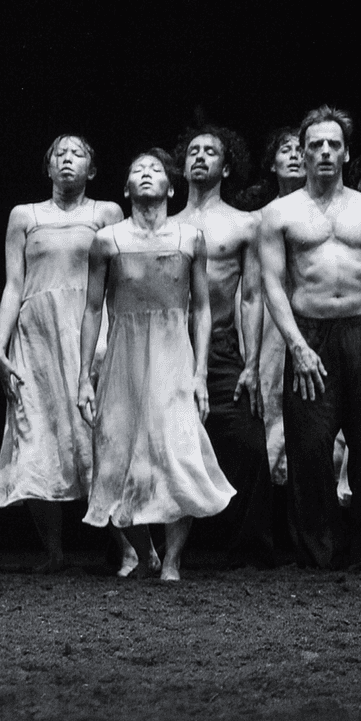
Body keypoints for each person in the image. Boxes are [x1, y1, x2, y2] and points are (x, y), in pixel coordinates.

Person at [77, 150, 235, 580]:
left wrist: (201, 372)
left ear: (170, 187)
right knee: (120, 453)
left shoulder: (190, 238)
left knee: (177, 452)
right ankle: (141, 551)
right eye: (136, 171)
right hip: (123, 357)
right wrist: (83, 378)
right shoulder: (107, 240)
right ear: (126, 189)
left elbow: (201, 308)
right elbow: (92, 310)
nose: (146, 175)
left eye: (156, 171)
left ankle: (173, 559)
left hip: (172, 355)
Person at [259, 106, 361, 574]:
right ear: (301, 153)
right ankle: (318, 557)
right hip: (311, 334)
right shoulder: (279, 213)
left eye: (333, 144)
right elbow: (273, 285)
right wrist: (297, 345)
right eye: (316, 145)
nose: (325, 151)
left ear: (346, 153)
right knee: (309, 449)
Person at [0, 135, 124, 572]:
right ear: (47, 167)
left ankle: (127, 546)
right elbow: (14, 284)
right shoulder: (23, 216)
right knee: (35, 436)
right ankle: (53, 552)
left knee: (97, 436)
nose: (67, 160)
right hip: (36, 337)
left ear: (93, 169)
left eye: (78, 154)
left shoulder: (105, 213)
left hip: (89, 330)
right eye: (59, 155)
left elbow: (118, 281)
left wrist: (111, 337)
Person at [174, 123, 275, 569]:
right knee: (170, 442)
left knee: (248, 442)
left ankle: (248, 548)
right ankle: (174, 548)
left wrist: (251, 362)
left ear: (226, 165)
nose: (199, 157)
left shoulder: (243, 224)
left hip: (220, 344)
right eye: (192, 151)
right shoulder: (168, 224)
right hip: (170, 343)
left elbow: (251, 296)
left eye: (210, 152)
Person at [249, 129, 306, 486]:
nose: (296, 156)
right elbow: (251, 289)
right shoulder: (256, 221)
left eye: (302, 150)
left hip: (312, 316)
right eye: (286, 150)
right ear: (272, 164)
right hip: (269, 324)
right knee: (269, 407)